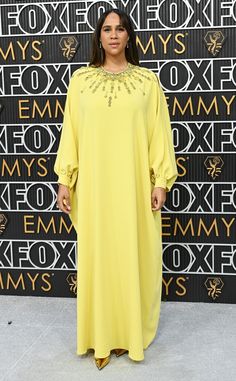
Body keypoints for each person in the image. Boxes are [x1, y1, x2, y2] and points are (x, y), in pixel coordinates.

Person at [54, 8, 178, 370]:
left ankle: (128, 335)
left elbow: (159, 135)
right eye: (107, 29)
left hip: (134, 189)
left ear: (128, 36)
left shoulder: (147, 82)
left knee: (131, 257)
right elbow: (71, 133)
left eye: (120, 28)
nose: (113, 35)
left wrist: (160, 182)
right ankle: (100, 338)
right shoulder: (80, 81)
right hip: (94, 190)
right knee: (99, 260)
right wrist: (66, 179)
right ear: (99, 36)